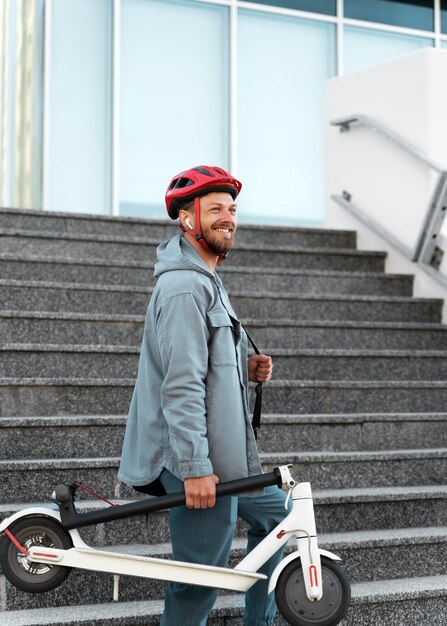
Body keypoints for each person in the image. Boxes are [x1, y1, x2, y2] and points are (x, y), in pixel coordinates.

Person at [118, 165, 289, 626]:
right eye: (215, 209)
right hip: (188, 456)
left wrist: (244, 367)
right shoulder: (183, 287)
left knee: (278, 518)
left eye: (231, 209)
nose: (228, 217)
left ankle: (261, 621)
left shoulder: (206, 279)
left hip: (223, 450)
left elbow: (202, 363)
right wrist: (196, 469)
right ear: (187, 219)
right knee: (200, 577)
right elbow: (181, 385)